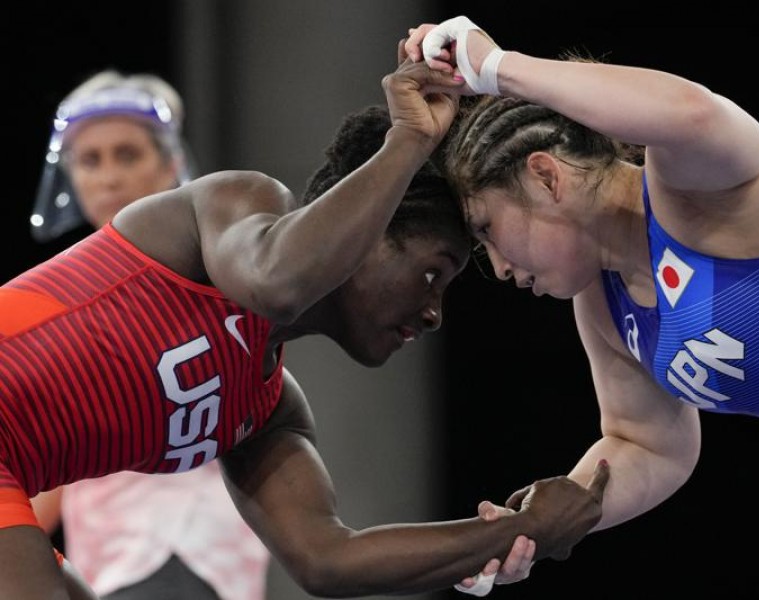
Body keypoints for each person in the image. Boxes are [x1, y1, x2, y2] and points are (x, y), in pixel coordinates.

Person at [0, 54, 610, 600]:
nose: (433, 314)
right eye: (433, 274)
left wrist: (518, 530)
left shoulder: (266, 410)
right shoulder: (233, 204)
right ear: (372, 231)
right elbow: (276, 283)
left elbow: (328, 560)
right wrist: (407, 142)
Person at [403, 17, 759, 599]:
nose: (502, 267)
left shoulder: (694, 194)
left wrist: (498, 67)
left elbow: (693, 112)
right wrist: (535, 527)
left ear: (545, 176)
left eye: (488, 230)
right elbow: (649, 445)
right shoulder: (604, 308)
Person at [27, 69, 272, 600]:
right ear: (72, 177)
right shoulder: (55, 298)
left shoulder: (221, 279)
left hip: (196, 551)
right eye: (91, 161)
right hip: (110, 565)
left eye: (128, 155)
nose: (109, 176)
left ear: (170, 165)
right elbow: (46, 466)